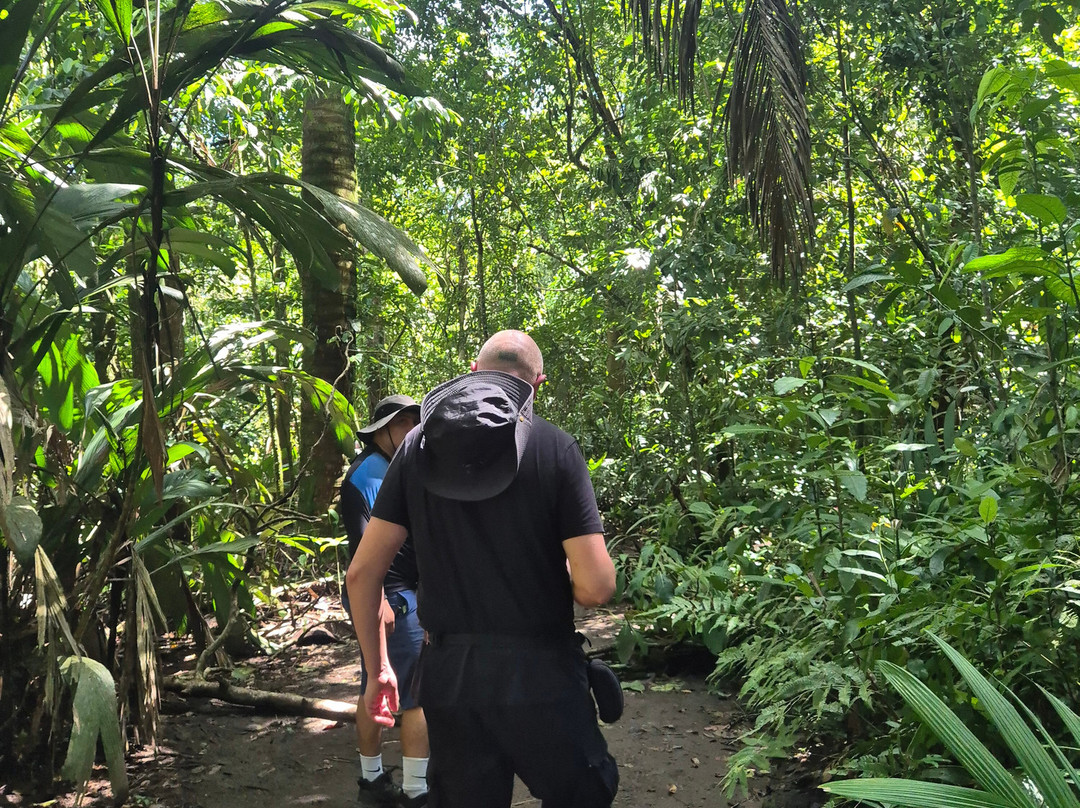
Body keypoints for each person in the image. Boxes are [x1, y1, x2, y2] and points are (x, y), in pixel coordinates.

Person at [346, 330, 619, 808]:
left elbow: (362, 574)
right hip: (542, 673)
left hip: (450, 677)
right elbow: (597, 587)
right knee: (586, 792)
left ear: (473, 372)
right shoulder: (555, 448)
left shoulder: (414, 451)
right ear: (538, 383)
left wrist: (379, 670)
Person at [340, 394, 428, 807]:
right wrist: (382, 603)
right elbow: (364, 552)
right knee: (414, 697)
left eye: (416, 422)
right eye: (407, 422)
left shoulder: (389, 467)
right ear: (386, 429)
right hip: (388, 597)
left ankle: (372, 782)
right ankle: (416, 791)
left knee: (373, 683)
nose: (413, 430)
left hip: (390, 594)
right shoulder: (368, 474)